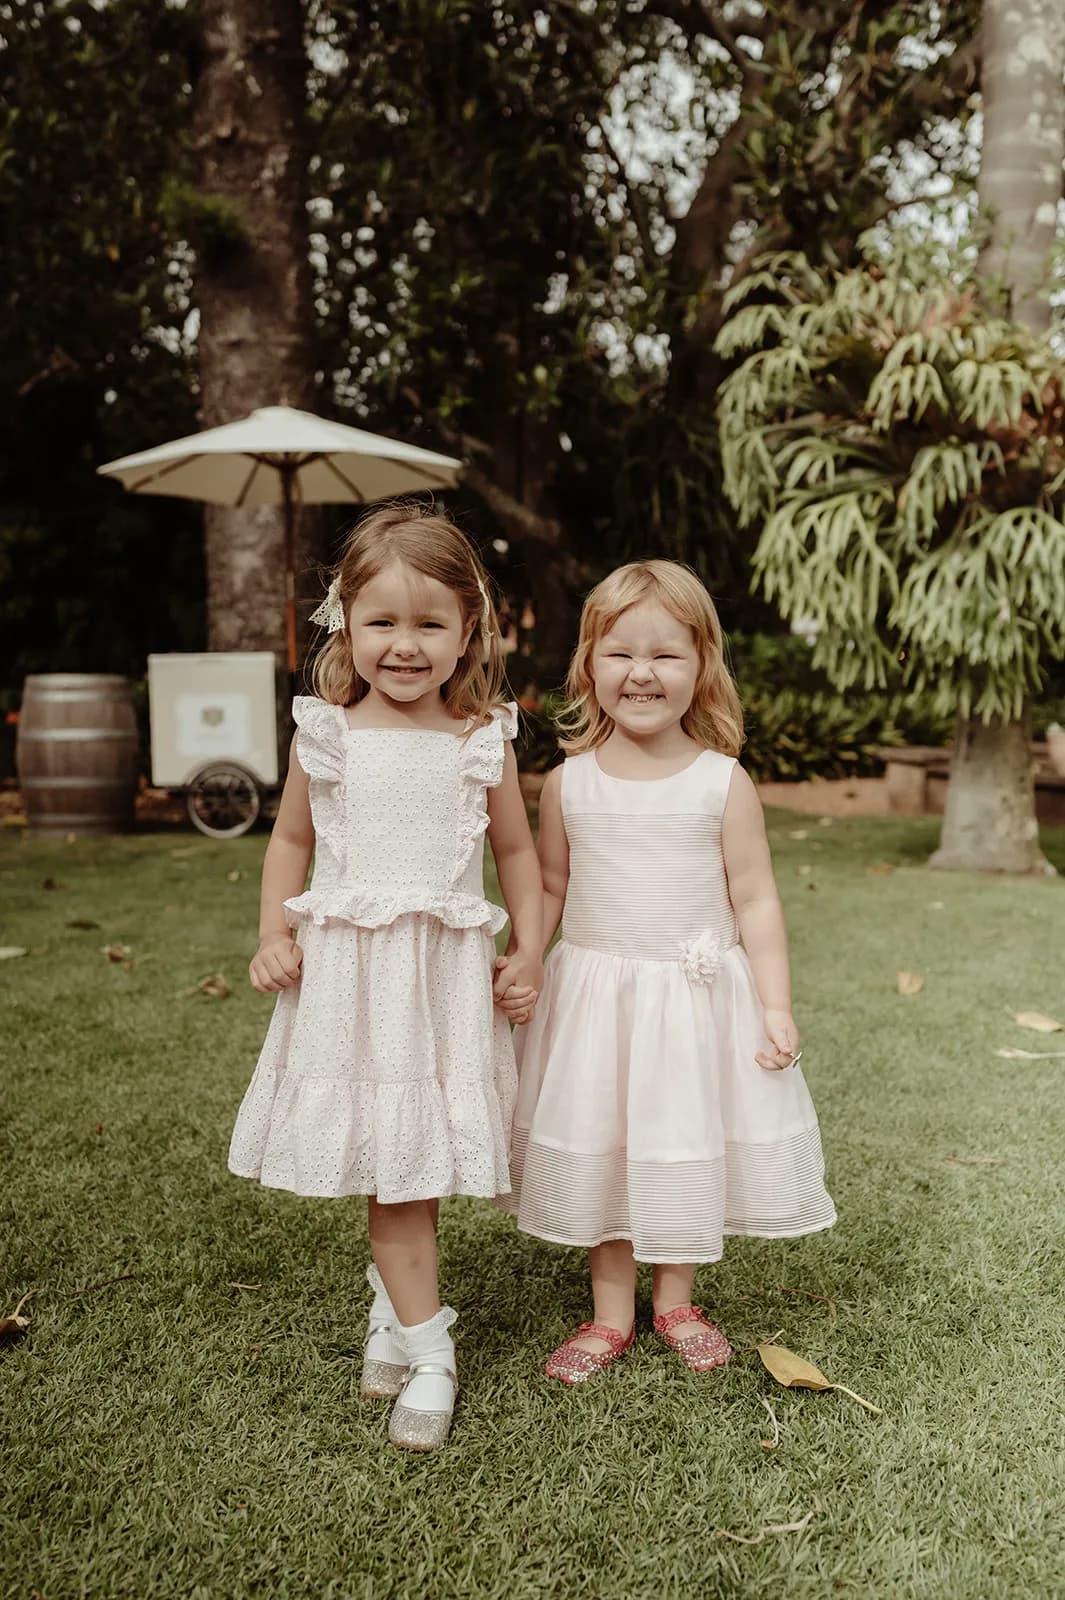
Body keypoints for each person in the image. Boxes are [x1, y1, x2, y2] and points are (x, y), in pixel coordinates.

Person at [229, 501, 542, 1449]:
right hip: (352, 984)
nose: (403, 647)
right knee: (390, 1171)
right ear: (345, 623)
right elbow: (289, 841)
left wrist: (528, 946)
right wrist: (272, 933)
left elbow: (519, 854)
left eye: (429, 624)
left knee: (407, 1173)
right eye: (382, 623)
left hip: (438, 981)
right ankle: (423, 1339)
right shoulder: (324, 735)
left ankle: (406, 1328)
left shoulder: (479, 741)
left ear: (467, 634)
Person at [502, 559, 835, 1384]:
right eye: (619, 653)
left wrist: (775, 1004)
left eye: (665, 656)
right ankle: (611, 1311)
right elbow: (548, 883)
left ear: (701, 668)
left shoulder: (721, 782)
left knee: (678, 1140)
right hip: (596, 1002)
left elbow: (753, 898)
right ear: (588, 664)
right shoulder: (569, 783)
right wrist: (526, 960)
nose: (641, 673)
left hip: (690, 1005)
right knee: (605, 1141)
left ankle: (675, 1300)